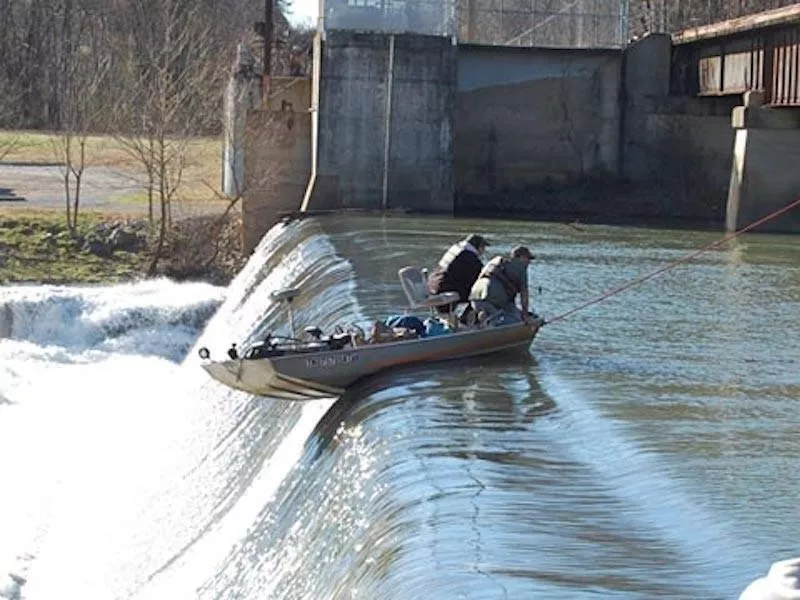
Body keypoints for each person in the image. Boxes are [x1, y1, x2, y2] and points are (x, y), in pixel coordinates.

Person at [469, 245, 538, 326]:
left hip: (475, 297)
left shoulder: (495, 262)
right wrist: (525, 316)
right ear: (521, 257)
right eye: (528, 259)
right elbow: (524, 295)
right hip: (494, 299)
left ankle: (481, 317)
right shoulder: (520, 267)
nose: (529, 262)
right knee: (515, 318)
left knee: (493, 311)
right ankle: (491, 320)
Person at [427, 233, 489, 313]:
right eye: (483, 247)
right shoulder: (469, 257)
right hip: (446, 291)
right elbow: (480, 276)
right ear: (478, 246)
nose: (484, 250)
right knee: (476, 293)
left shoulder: (456, 249)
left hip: (433, 287)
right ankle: (471, 319)